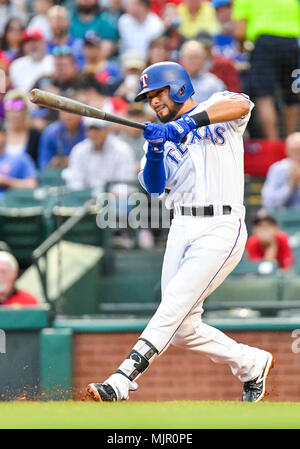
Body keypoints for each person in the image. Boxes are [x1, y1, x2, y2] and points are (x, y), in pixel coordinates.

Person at [87, 61, 274, 403]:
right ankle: (252, 363)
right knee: (182, 329)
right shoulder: (157, 138)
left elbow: (242, 104)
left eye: (158, 92)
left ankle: (122, 378)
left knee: (172, 306)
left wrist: (188, 124)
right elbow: (155, 187)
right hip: (182, 226)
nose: (154, 101)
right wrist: (156, 149)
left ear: (178, 87)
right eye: (149, 97)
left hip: (221, 225)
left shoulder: (215, 107)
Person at [232, 0, 300, 139]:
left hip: (263, 44)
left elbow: (239, 32)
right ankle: (292, 144)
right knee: (292, 96)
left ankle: (273, 143)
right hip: (291, 43)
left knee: (264, 96)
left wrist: (242, 46)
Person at [65, 117, 136, 192]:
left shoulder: (122, 150)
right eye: (90, 129)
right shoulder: (79, 150)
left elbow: (125, 183)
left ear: (108, 130)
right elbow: (74, 181)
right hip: (85, 199)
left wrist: (106, 196)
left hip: (114, 200)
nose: (94, 133)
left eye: (98, 129)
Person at [37, 96, 86, 170]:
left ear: (81, 112)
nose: (68, 115)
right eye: (64, 110)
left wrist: (72, 161)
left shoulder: (89, 130)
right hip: (57, 177)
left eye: (72, 111)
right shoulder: (50, 133)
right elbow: (43, 164)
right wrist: (55, 163)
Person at [261, 132, 300, 210]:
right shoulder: (278, 169)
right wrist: (291, 184)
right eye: (294, 151)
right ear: (287, 151)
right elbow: (268, 202)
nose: (298, 155)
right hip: (282, 218)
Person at [3, 89, 41, 165]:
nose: (13, 114)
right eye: (9, 109)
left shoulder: (34, 135)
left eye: (17, 109)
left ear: (25, 111)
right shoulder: (2, 132)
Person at [0, 120, 37, 196]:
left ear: (5, 135)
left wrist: (6, 181)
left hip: (10, 204)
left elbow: (32, 184)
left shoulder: (20, 158)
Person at [46, 5, 84, 70]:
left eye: (60, 19)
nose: (57, 23)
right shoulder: (45, 47)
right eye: (53, 19)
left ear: (69, 22)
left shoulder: (80, 45)